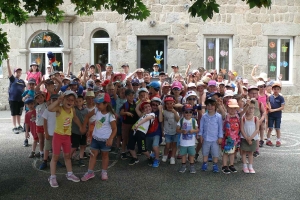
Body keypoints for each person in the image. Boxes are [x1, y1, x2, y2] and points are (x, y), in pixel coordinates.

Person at [47, 91, 83, 188]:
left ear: (74, 102)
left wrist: (81, 126)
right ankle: (52, 177)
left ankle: (70, 174)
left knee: (67, 156)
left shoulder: (72, 110)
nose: (70, 101)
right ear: (64, 99)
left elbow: (75, 118)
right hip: (58, 136)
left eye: (72, 100)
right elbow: (49, 108)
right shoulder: (59, 108)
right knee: (55, 157)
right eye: (68, 99)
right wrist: (59, 100)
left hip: (67, 137)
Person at [81, 93, 117, 181]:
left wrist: (110, 138)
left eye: (99, 104)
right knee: (93, 155)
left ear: (106, 104)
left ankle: (104, 172)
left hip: (105, 139)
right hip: (95, 138)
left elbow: (114, 129)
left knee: (105, 155)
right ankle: (90, 172)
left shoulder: (110, 115)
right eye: (96, 103)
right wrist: (84, 126)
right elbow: (87, 116)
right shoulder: (96, 110)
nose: (97, 105)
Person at [199, 97, 223, 173]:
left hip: (215, 139)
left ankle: (215, 165)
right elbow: (201, 126)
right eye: (208, 105)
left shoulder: (218, 116)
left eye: (212, 105)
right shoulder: (204, 116)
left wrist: (220, 137)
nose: (210, 107)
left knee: (215, 153)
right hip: (206, 138)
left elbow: (220, 127)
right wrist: (200, 135)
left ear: (215, 106)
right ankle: (204, 163)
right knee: (205, 152)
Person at [39, 94, 61, 170]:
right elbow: (44, 123)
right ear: (50, 101)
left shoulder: (60, 109)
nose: (54, 101)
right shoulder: (47, 110)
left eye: (56, 99)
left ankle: (56, 160)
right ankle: (45, 161)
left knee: (56, 148)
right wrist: (46, 133)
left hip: (57, 133)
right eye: (53, 99)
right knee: (47, 147)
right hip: (49, 133)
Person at [128, 100, 153, 165]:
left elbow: (147, 119)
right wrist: (141, 101)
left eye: (149, 106)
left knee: (143, 149)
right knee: (130, 146)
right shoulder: (142, 115)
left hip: (141, 133)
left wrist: (138, 124)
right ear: (143, 110)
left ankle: (149, 157)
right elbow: (136, 108)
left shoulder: (152, 114)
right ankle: (135, 158)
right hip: (133, 131)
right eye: (145, 107)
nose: (147, 108)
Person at [176, 104, 199, 174]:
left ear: (192, 113)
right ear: (183, 113)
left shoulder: (194, 121)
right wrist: (182, 131)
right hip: (183, 142)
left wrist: (193, 131)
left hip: (191, 143)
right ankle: (183, 166)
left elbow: (197, 129)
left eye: (190, 112)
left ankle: (192, 166)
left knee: (191, 155)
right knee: (183, 155)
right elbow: (177, 130)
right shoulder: (181, 120)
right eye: (186, 112)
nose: (188, 114)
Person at [221, 99, 240, 174]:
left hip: (235, 137)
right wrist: (220, 105)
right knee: (226, 152)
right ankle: (224, 166)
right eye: (231, 108)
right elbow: (222, 110)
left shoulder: (237, 116)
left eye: (234, 108)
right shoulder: (226, 116)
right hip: (227, 138)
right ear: (227, 108)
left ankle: (231, 165)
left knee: (233, 152)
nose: (232, 110)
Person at [240, 100, 259, 174]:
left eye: (252, 108)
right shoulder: (243, 118)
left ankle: (250, 166)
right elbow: (241, 129)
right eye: (249, 108)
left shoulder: (255, 118)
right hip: (244, 138)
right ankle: (244, 166)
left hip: (253, 138)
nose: (251, 109)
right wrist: (247, 138)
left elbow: (257, 129)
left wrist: (250, 138)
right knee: (244, 152)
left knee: (251, 153)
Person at [119, 89, 139, 159]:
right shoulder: (125, 105)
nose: (131, 97)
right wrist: (126, 113)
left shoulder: (136, 103)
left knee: (132, 138)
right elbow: (121, 113)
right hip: (126, 124)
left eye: (132, 95)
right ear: (126, 96)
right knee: (125, 138)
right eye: (129, 95)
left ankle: (130, 150)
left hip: (134, 123)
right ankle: (123, 151)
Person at [7, 59, 26, 133]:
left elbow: (24, 90)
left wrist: (24, 97)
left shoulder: (22, 81)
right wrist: (8, 62)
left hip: (20, 100)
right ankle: (14, 127)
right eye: (17, 72)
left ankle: (19, 125)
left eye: (19, 72)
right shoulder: (12, 79)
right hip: (13, 99)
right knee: (13, 113)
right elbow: (9, 72)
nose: (18, 73)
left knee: (19, 113)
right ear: (15, 73)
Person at [70, 95, 89, 167]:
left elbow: (87, 120)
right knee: (74, 146)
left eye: (80, 101)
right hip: (75, 131)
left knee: (83, 145)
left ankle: (81, 158)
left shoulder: (86, 110)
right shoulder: (73, 109)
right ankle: (69, 157)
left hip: (84, 130)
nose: (78, 103)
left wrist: (88, 129)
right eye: (76, 101)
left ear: (83, 101)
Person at [162, 96, 180, 164]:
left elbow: (178, 120)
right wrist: (162, 130)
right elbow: (162, 121)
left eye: (171, 103)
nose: (169, 105)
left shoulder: (176, 112)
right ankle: (165, 155)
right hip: (167, 131)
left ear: (173, 104)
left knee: (174, 145)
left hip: (175, 132)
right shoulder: (164, 112)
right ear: (165, 105)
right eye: (167, 104)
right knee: (167, 145)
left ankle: (172, 157)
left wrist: (175, 112)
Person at [266, 83, 285, 147]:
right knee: (270, 128)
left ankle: (278, 140)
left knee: (277, 128)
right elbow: (268, 103)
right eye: (274, 89)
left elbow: (282, 107)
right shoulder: (270, 97)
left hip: (277, 115)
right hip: (270, 115)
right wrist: (269, 108)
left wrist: (274, 110)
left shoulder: (281, 98)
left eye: (277, 89)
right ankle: (268, 140)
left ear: (280, 90)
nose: (276, 90)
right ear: (272, 89)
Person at [34, 91, 47, 160]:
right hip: (38, 125)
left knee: (46, 140)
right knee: (41, 140)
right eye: (38, 98)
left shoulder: (46, 104)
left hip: (45, 125)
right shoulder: (36, 107)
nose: (40, 99)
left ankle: (46, 153)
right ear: (36, 100)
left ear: (44, 97)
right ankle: (41, 152)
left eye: (41, 97)